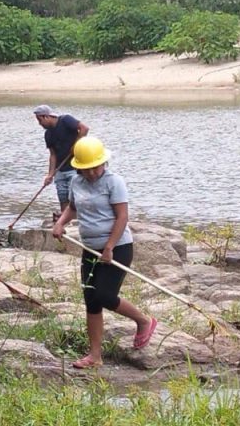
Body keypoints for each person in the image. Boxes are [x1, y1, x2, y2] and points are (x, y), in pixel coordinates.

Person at [51, 136, 156, 370]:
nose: (90, 173)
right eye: (85, 169)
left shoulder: (114, 182)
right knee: (91, 300)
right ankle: (94, 355)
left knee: (104, 296)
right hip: (90, 248)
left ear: (103, 162)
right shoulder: (76, 182)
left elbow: (122, 217)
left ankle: (143, 320)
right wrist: (61, 223)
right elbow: (73, 208)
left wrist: (109, 247)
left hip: (117, 248)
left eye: (95, 167)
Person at [34, 104, 89, 219]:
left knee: (75, 195)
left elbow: (84, 128)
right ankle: (65, 219)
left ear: (46, 116)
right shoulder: (48, 134)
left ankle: (78, 217)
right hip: (60, 170)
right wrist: (50, 175)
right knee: (62, 195)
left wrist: (76, 145)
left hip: (75, 168)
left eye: (40, 120)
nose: (40, 124)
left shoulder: (65, 120)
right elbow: (53, 155)